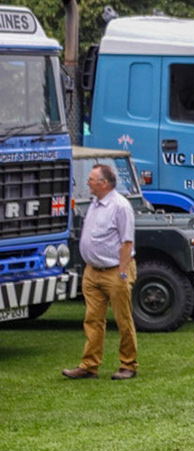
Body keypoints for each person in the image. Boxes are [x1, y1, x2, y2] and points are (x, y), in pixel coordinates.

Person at [62, 162, 138, 380]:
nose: (87, 182)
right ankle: (89, 365)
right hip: (93, 272)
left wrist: (122, 273)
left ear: (104, 183)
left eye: (91, 179)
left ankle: (129, 365)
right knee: (92, 320)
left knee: (123, 320)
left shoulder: (121, 206)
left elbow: (127, 242)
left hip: (116, 271)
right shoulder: (95, 204)